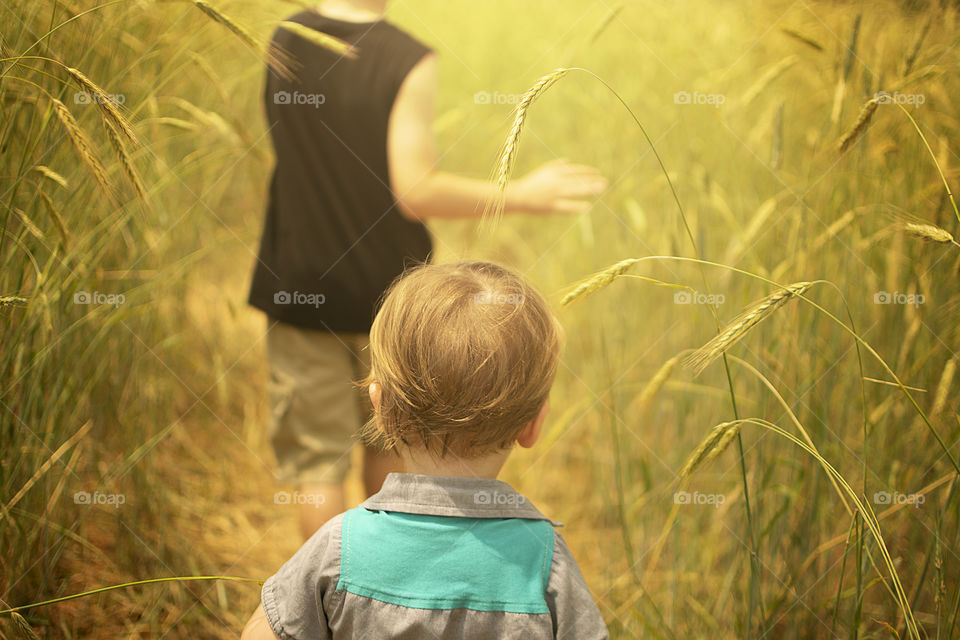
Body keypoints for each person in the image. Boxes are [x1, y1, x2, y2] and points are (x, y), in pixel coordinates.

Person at [248, 0, 607, 540]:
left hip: (299, 284)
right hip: (390, 297)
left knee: (319, 468)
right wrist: (524, 193)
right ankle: (385, 590)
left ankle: (324, 606)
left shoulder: (285, 36)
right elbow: (414, 190)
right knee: (390, 448)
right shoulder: (407, 58)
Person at [241, 261, 609, 640]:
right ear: (532, 426)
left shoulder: (340, 547)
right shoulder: (543, 561)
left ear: (380, 410)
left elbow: (261, 633)